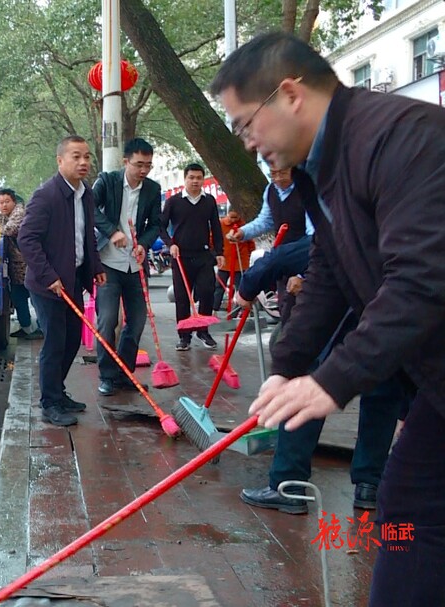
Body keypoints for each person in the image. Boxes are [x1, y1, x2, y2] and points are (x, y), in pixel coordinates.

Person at [212, 31, 445, 605]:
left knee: (412, 512)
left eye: (245, 124)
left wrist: (330, 382)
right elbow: (332, 271)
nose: (245, 143)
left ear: (289, 94)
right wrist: (288, 366)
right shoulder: (322, 168)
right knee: (411, 511)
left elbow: (421, 279)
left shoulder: (401, 138)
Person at [230, 238, 405, 515]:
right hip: (388, 322)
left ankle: (288, 484)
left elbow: (282, 258)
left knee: (306, 389)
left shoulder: (345, 215)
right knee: (383, 390)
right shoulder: (390, 216)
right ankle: (369, 484)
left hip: (346, 319)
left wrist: (247, 287)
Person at [18, 135, 107, 427]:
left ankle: (58, 392)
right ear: (60, 160)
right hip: (48, 286)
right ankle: (50, 403)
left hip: (72, 281)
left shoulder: (87, 194)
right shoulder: (46, 195)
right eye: (76, 157)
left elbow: (86, 237)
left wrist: (95, 268)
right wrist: (49, 276)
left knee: (71, 341)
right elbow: (26, 239)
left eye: (87, 157)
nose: (83, 162)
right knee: (55, 342)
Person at [91, 137, 163, 396]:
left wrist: (143, 242)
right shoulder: (108, 181)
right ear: (126, 161)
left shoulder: (153, 189)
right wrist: (112, 232)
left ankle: (124, 373)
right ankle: (107, 376)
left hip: (136, 263)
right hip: (109, 262)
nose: (143, 170)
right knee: (108, 319)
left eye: (148, 165)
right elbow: (89, 206)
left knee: (137, 320)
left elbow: (156, 223)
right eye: (139, 164)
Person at [226, 167, 314, 323]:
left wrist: (302, 275)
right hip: (282, 262)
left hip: (306, 260)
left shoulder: (307, 188)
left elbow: (313, 237)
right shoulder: (270, 190)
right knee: (286, 311)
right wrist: (243, 232)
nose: (278, 178)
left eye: (283, 173)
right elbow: (265, 220)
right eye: (273, 174)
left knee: (304, 317)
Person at [159, 164, 225, 351]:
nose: (195, 181)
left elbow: (216, 228)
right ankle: (184, 335)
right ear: (185, 179)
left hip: (204, 255)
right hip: (180, 256)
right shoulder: (173, 201)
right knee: (182, 297)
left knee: (207, 291)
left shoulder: (209, 201)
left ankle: (203, 331)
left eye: (198, 177)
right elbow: (160, 226)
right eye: (191, 177)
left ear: (203, 179)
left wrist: (219, 252)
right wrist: (170, 244)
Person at [0, 188, 40, 340]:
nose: (4, 205)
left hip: (30, 264)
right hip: (17, 267)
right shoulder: (3, 217)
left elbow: (10, 229)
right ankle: (27, 328)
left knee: (36, 297)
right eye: (0, 202)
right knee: (18, 296)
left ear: (14, 202)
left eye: (7, 202)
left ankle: (43, 328)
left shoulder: (19, 212)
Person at [214, 209, 254, 308]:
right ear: (227, 215)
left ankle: (239, 310)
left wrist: (249, 254)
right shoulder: (221, 224)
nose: (233, 220)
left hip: (241, 261)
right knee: (219, 286)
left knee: (240, 288)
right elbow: (214, 238)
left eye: (235, 217)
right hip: (225, 260)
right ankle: (214, 307)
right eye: (231, 217)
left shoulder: (244, 226)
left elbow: (250, 242)